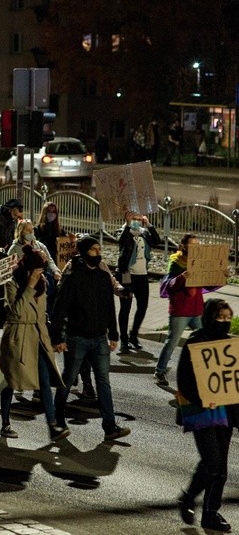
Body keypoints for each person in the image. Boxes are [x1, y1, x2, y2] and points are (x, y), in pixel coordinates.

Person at [50, 237, 131, 441]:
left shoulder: (103, 276)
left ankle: (110, 426)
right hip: (77, 338)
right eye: (94, 250)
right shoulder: (73, 276)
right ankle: (57, 421)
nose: (98, 253)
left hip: (99, 338)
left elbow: (108, 307)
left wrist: (113, 333)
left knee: (103, 381)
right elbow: (60, 309)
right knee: (68, 379)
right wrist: (57, 337)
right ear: (85, 252)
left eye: (99, 249)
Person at [176, 298, 236, 532]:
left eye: (228, 318)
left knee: (221, 468)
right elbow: (183, 380)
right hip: (201, 411)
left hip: (225, 411)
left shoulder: (231, 347)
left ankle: (211, 513)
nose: (224, 322)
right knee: (212, 461)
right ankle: (188, 497)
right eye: (220, 317)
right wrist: (204, 398)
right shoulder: (196, 341)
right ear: (209, 317)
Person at [0, 245, 68, 442]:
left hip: (38, 336)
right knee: (10, 382)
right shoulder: (12, 282)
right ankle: (5, 422)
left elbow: (45, 312)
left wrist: (54, 338)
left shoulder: (43, 283)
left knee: (45, 381)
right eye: (36, 271)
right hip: (18, 337)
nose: (39, 274)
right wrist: (28, 286)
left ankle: (53, 426)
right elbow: (16, 311)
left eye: (41, 271)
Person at [155, 233, 221, 386]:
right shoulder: (175, 263)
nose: (195, 248)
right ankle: (160, 371)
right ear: (183, 246)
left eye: (197, 245)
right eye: (192, 245)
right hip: (180, 310)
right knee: (172, 341)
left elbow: (206, 283)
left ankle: (204, 371)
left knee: (203, 341)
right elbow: (169, 285)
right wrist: (182, 277)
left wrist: (220, 278)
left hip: (197, 309)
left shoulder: (200, 263)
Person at [116, 211, 160, 353]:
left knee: (143, 306)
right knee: (125, 307)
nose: (136, 221)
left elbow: (157, 240)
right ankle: (123, 340)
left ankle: (133, 335)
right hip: (127, 274)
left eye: (138, 219)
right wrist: (128, 224)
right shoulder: (123, 231)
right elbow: (121, 241)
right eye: (133, 218)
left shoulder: (144, 233)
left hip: (142, 275)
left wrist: (149, 225)